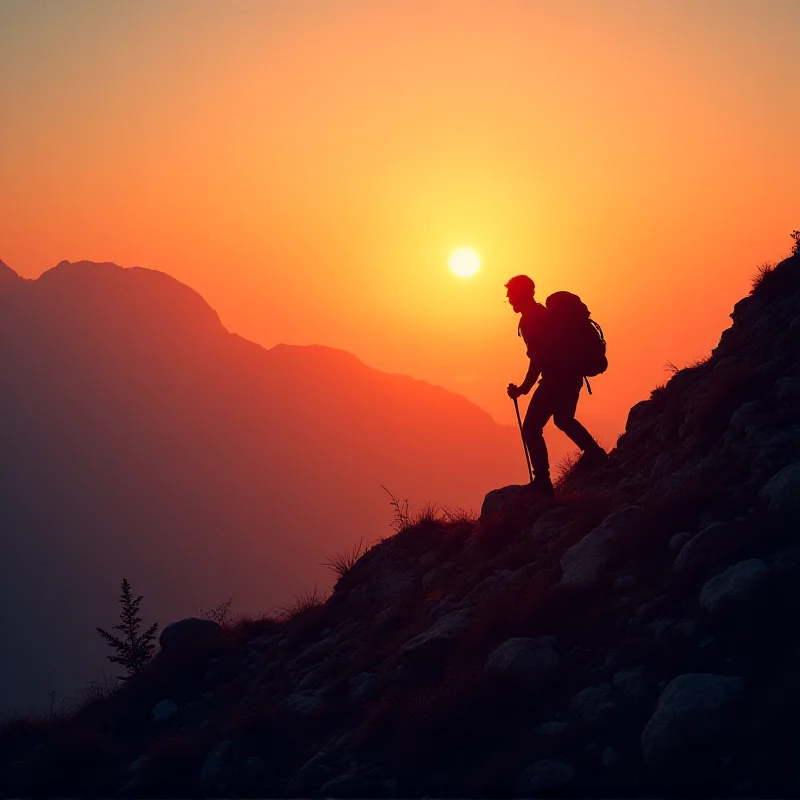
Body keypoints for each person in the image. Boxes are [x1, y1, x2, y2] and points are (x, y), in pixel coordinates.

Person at [505, 274, 607, 497]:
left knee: (531, 428)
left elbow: (538, 360)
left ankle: (542, 481)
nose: (509, 300)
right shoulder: (542, 314)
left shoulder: (533, 319)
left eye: (511, 295)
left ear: (522, 294)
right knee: (563, 419)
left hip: (556, 380)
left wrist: (523, 388)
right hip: (572, 377)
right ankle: (595, 454)